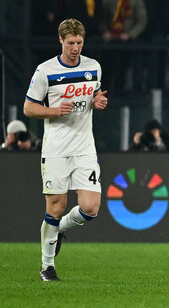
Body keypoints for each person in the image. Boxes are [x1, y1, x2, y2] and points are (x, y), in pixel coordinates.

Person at [23, 18, 108, 281]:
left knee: (91, 207)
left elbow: (92, 97)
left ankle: (57, 230)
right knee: (56, 207)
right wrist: (53, 110)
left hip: (84, 146)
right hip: (57, 148)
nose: (75, 48)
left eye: (79, 43)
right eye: (71, 43)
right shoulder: (45, 71)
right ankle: (47, 266)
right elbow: (28, 108)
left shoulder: (93, 67)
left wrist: (97, 101)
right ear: (60, 40)